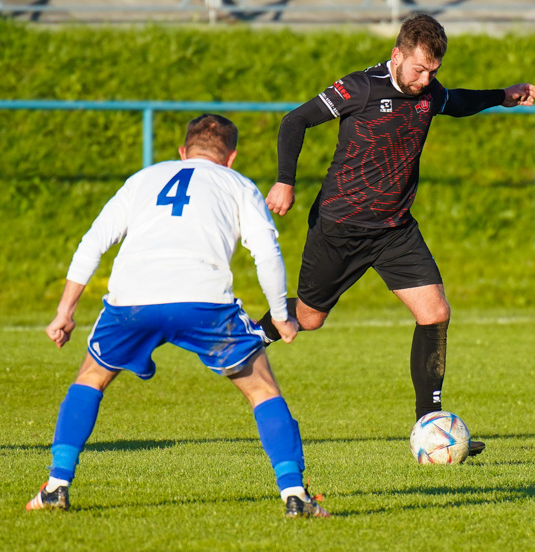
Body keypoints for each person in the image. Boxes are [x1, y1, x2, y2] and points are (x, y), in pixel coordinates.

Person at [258, 13, 535, 455]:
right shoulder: (360, 87)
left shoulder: (428, 92)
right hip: (341, 227)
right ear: (397, 55)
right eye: (419, 69)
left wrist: (503, 96)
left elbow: (457, 101)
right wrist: (285, 181)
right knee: (307, 319)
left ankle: (430, 424)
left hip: (394, 230)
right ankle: (241, 338)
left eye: (433, 71)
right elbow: (295, 121)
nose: (425, 80)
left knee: (435, 312)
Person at [26, 114, 329, 519]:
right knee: (263, 391)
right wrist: (281, 315)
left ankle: (56, 487)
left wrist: (65, 312)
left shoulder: (144, 179)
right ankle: (295, 496)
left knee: (90, 379)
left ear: (183, 152)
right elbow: (268, 255)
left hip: (132, 301)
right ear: (231, 157)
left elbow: (94, 242)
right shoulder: (238, 184)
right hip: (204, 302)